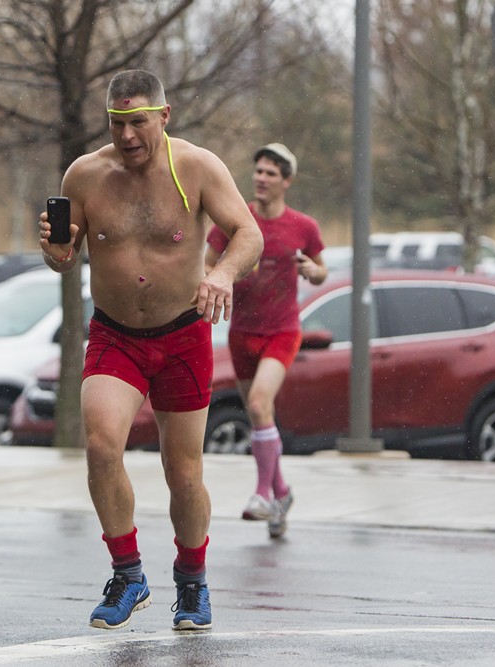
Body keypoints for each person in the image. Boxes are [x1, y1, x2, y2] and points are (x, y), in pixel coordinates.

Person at [39, 69, 262, 632]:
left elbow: (249, 235)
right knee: (99, 445)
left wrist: (224, 276)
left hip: (183, 333)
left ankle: (192, 583)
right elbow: (64, 257)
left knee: (183, 473)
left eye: (138, 122)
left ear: (164, 116)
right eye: (117, 124)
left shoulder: (197, 166)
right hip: (116, 335)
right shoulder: (84, 175)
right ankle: (128, 572)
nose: (128, 136)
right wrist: (55, 249)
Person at [205, 143, 327, 539]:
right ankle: (282, 493)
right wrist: (228, 271)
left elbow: (323, 271)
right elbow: (207, 263)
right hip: (241, 331)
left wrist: (313, 270)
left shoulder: (302, 226)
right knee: (260, 415)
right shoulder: (236, 221)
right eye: (258, 171)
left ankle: (261, 495)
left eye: (271, 173)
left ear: (286, 181)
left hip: (282, 331)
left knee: (258, 403)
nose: (261, 178)